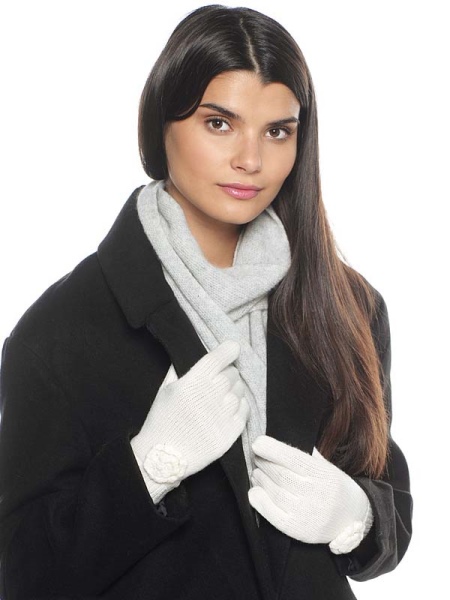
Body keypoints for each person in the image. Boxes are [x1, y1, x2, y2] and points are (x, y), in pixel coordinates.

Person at [0, 5, 412, 599]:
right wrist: (150, 464)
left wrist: (357, 517)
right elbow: (24, 576)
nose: (252, 159)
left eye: (278, 131)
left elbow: (388, 503)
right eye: (219, 123)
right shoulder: (59, 333)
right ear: (160, 123)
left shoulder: (347, 307)